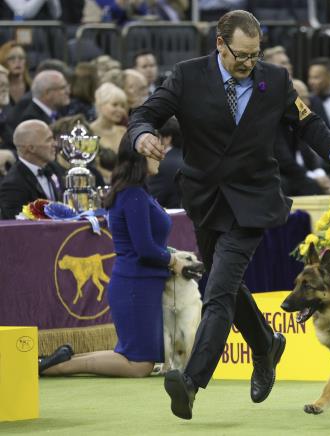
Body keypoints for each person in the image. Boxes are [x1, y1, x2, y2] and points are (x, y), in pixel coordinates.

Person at [127, 9, 330, 420]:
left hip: (254, 201)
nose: (249, 63)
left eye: (255, 55)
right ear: (220, 43)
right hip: (206, 199)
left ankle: (192, 382)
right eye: (241, 55)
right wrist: (143, 135)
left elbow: (308, 124)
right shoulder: (186, 75)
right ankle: (266, 344)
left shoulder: (276, 79)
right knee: (228, 287)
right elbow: (145, 114)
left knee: (217, 290)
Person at [37, 132, 189, 377]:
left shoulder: (136, 192)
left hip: (140, 282)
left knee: (132, 355)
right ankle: (55, 367)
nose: (162, 153)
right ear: (142, 155)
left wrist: (170, 256)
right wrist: (174, 261)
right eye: (157, 149)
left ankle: (52, 362)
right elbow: (144, 248)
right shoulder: (134, 195)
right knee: (138, 364)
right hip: (135, 284)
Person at [0, 120, 64, 219]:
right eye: (48, 140)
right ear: (31, 148)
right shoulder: (12, 185)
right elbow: (14, 228)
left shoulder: (55, 168)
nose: (55, 144)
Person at [90, 82, 128, 182]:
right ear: (100, 105)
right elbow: (94, 168)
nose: (120, 110)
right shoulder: (89, 133)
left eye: (123, 106)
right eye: (114, 105)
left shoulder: (124, 131)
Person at [147, 116, 184, 208]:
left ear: (167, 138)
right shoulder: (189, 158)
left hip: (173, 219)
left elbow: (153, 201)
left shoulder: (161, 165)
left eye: (155, 136)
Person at [0, 41, 31, 106]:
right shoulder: (1, 88)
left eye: (21, 58)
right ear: (3, 61)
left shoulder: (32, 87)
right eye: (12, 58)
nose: (17, 61)